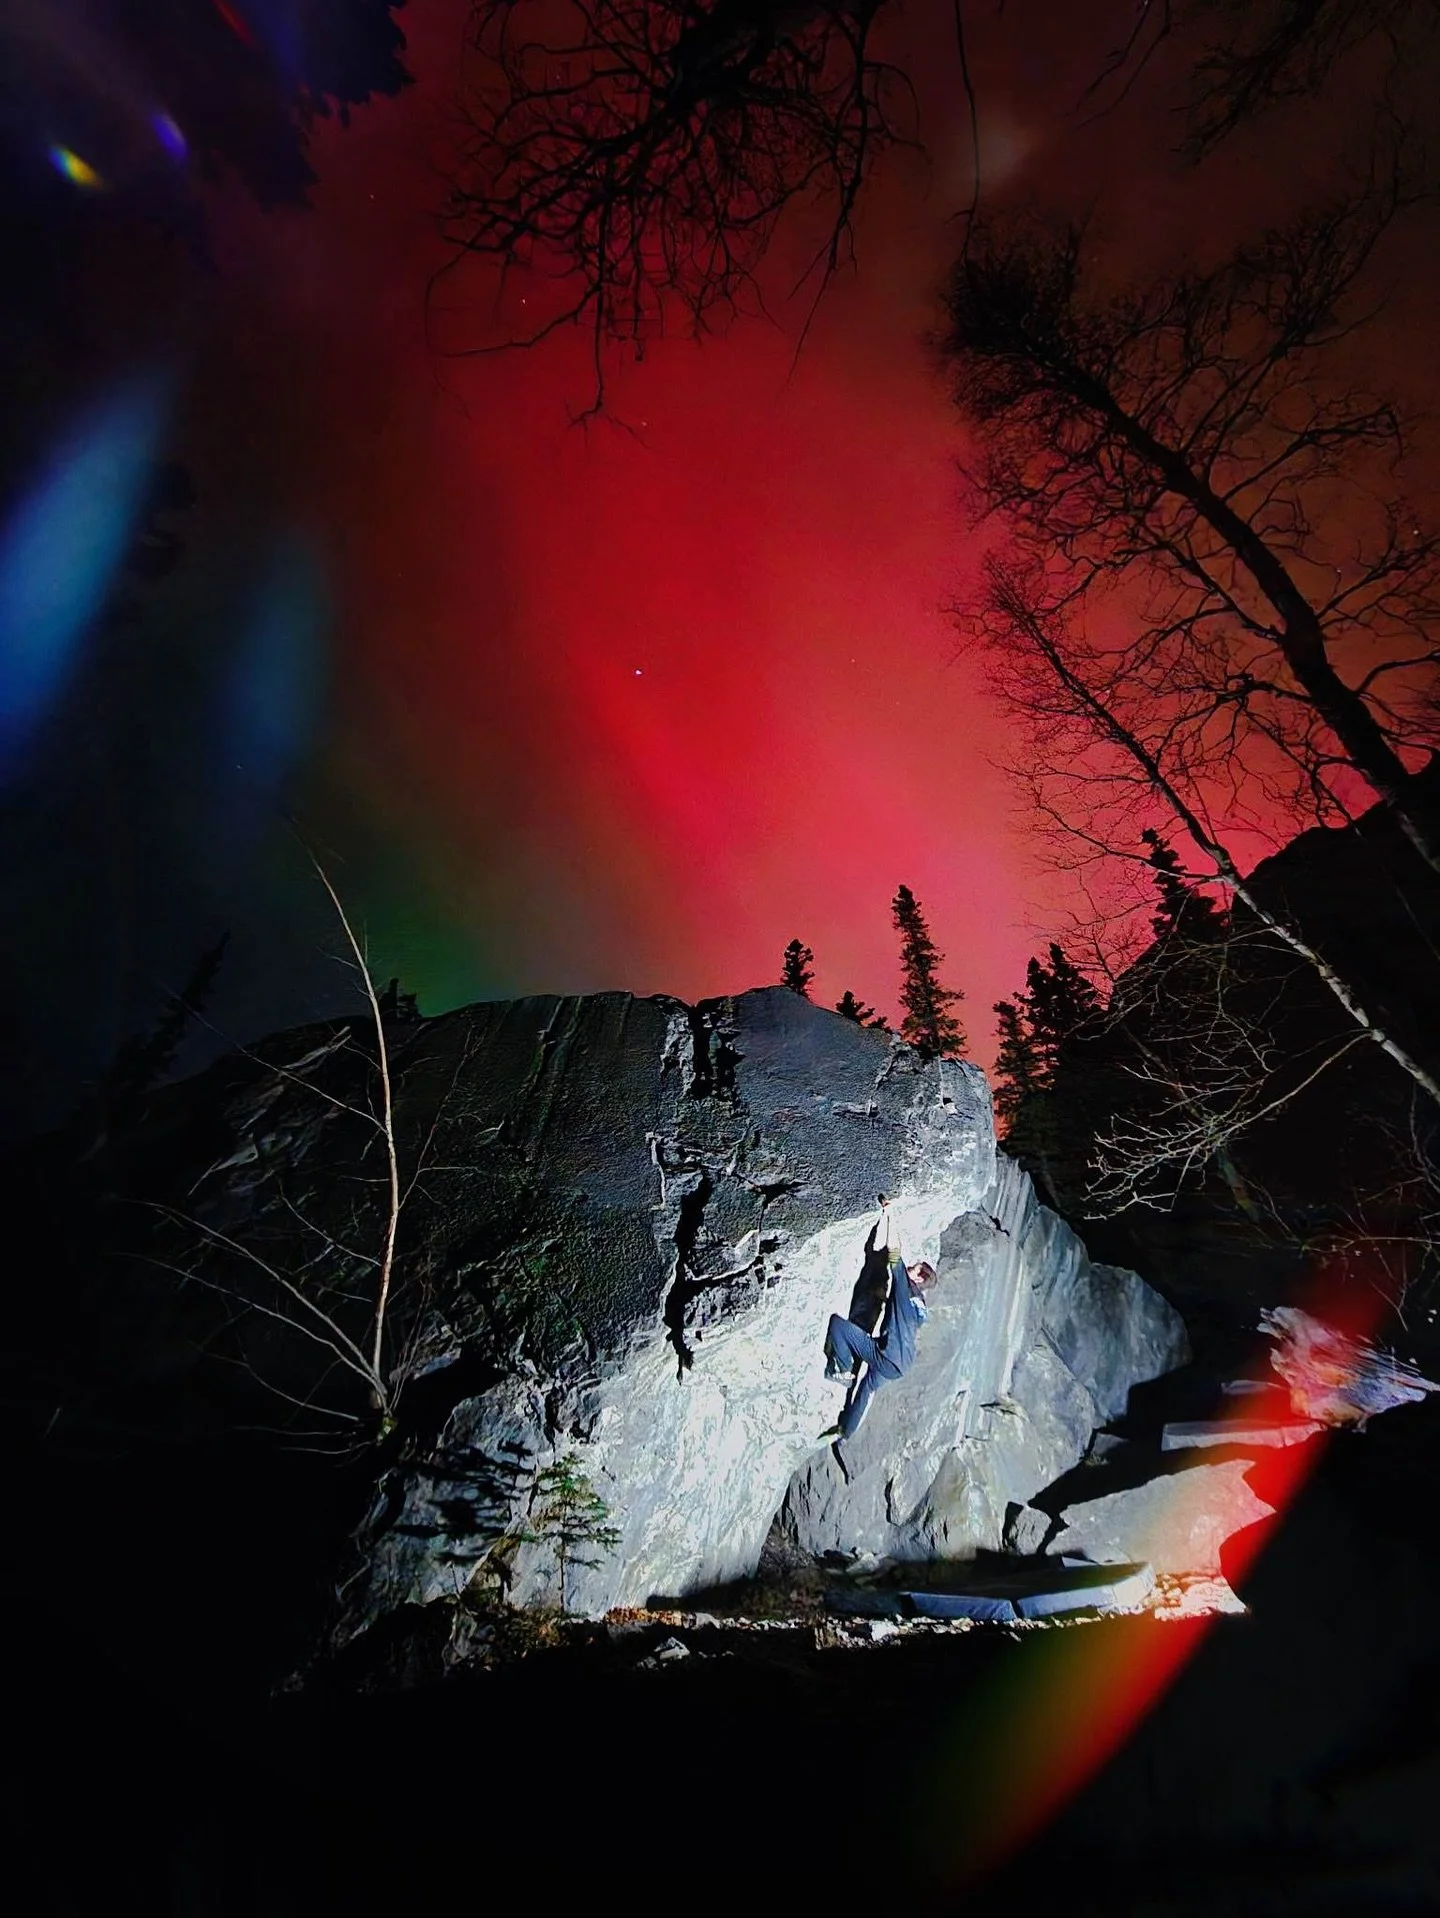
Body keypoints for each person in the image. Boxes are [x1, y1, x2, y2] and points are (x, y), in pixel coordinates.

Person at [820, 1194, 937, 1442]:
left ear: (918, 1278)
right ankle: (846, 1432)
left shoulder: (906, 1289)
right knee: (866, 1389)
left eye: (915, 1268)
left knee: (837, 1326)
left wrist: (889, 1213)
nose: (911, 1267)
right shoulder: (920, 1306)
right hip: (901, 1365)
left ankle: (843, 1370)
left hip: (887, 1356)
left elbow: (894, 1251)